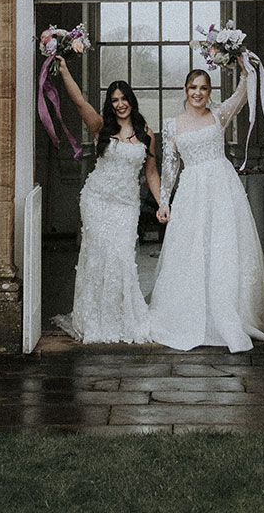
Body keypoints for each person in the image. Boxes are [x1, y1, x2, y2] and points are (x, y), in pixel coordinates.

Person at [149, 56, 264, 351]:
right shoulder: (173, 125)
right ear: (185, 90)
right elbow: (170, 168)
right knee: (192, 250)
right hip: (191, 191)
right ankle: (190, 314)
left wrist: (244, 69)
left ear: (209, 91)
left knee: (223, 248)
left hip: (222, 188)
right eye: (193, 88)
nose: (198, 93)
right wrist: (164, 202)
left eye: (203, 88)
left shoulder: (218, 115)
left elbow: (241, 97)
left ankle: (227, 312)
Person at [54, 64, 169, 343]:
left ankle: (121, 316)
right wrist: (65, 70)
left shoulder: (146, 134)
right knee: (97, 258)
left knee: (121, 258)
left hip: (126, 204)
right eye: (114, 100)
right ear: (110, 104)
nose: (120, 104)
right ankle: (94, 319)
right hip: (96, 200)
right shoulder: (101, 128)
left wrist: (162, 202)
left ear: (131, 100)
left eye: (123, 98)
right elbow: (79, 101)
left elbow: (151, 172)